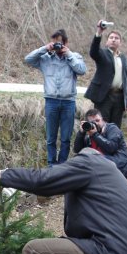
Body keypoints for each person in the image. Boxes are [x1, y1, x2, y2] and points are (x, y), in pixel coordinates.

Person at [24, 29, 86, 166]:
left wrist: (68, 54)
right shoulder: (45, 59)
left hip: (68, 102)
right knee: (51, 137)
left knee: (65, 138)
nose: (57, 45)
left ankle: (63, 165)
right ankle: (52, 165)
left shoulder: (74, 57)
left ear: (65, 43)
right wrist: (44, 48)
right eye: (54, 42)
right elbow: (27, 59)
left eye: (59, 42)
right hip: (51, 101)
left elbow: (82, 70)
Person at [84, 20, 127, 128]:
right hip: (104, 96)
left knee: (115, 127)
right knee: (101, 125)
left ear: (120, 42)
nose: (114, 40)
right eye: (111, 38)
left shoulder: (124, 59)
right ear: (107, 41)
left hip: (119, 97)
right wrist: (99, 32)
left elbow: (126, 80)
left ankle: (113, 145)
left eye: (116, 38)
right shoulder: (102, 54)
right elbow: (93, 51)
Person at [72, 109, 127, 179]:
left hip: (121, 167)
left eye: (97, 120)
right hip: (105, 167)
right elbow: (77, 150)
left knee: (94, 160)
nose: (96, 124)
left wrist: (95, 135)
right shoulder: (89, 134)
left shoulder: (112, 128)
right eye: (92, 122)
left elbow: (111, 148)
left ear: (102, 120)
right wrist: (81, 133)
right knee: (79, 159)